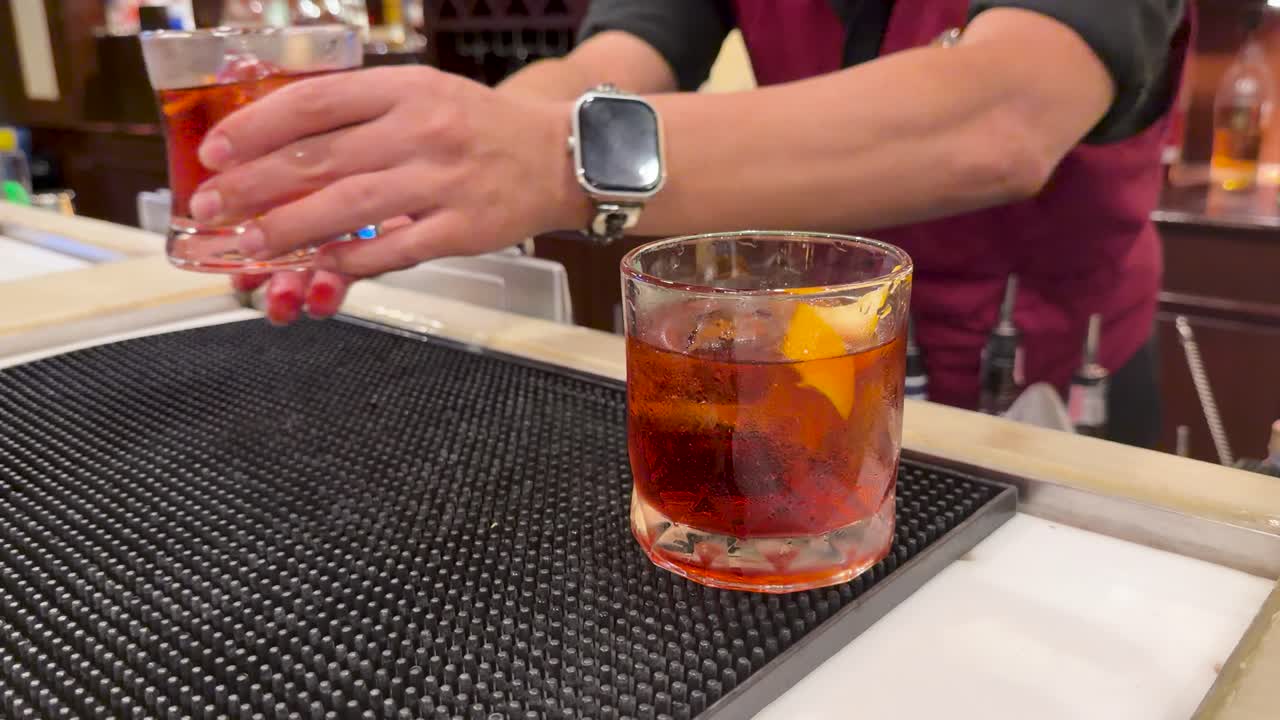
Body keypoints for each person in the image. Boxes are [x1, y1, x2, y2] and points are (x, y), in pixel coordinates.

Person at [190, 0, 1191, 448]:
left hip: (1051, 387)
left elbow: (1001, 114)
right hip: (817, 368)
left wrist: (546, 160)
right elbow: (599, 70)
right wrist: (415, 164)